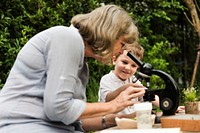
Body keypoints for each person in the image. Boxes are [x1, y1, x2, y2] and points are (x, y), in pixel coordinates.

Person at [0, 4, 146, 133]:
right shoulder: (68, 38)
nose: (121, 52)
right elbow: (59, 109)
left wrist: (116, 119)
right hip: (22, 126)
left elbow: (72, 120)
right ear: (110, 35)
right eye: (122, 44)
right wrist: (113, 105)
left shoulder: (81, 60)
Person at [98, 42, 160, 114]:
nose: (128, 68)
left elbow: (146, 94)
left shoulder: (133, 80)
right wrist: (125, 88)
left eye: (133, 66)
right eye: (124, 62)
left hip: (131, 121)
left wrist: (165, 105)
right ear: (114, 60)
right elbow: (107, 98)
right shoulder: (107, 79)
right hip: (112, 122)